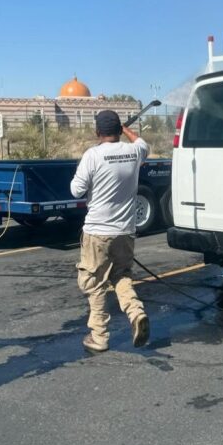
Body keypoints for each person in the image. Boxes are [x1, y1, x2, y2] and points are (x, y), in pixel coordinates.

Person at [70, 109, 150, 352]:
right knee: (121, 276)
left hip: (98, 232)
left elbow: (76, 190)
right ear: (118, 130)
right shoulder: (134, 151)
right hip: (125, 231)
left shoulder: (92, 155)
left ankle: (100, 336)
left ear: (97, 132)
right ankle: (136, 314)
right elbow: (142, 143)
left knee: (94, 283)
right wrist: (127, 130)